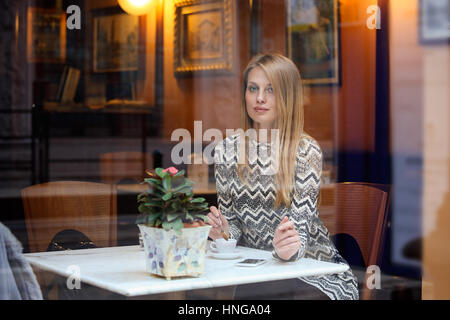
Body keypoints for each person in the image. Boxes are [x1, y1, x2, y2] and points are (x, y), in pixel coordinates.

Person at [206, 53, 359, 300]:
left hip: (312, 273)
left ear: (287, 96)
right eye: (253, 88)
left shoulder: (306, 151)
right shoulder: (226, 150)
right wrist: (222, 232)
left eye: (271, 90)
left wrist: (286, 247)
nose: (259, 98)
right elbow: (233, 225)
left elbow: (300, 232)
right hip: (256, 274)